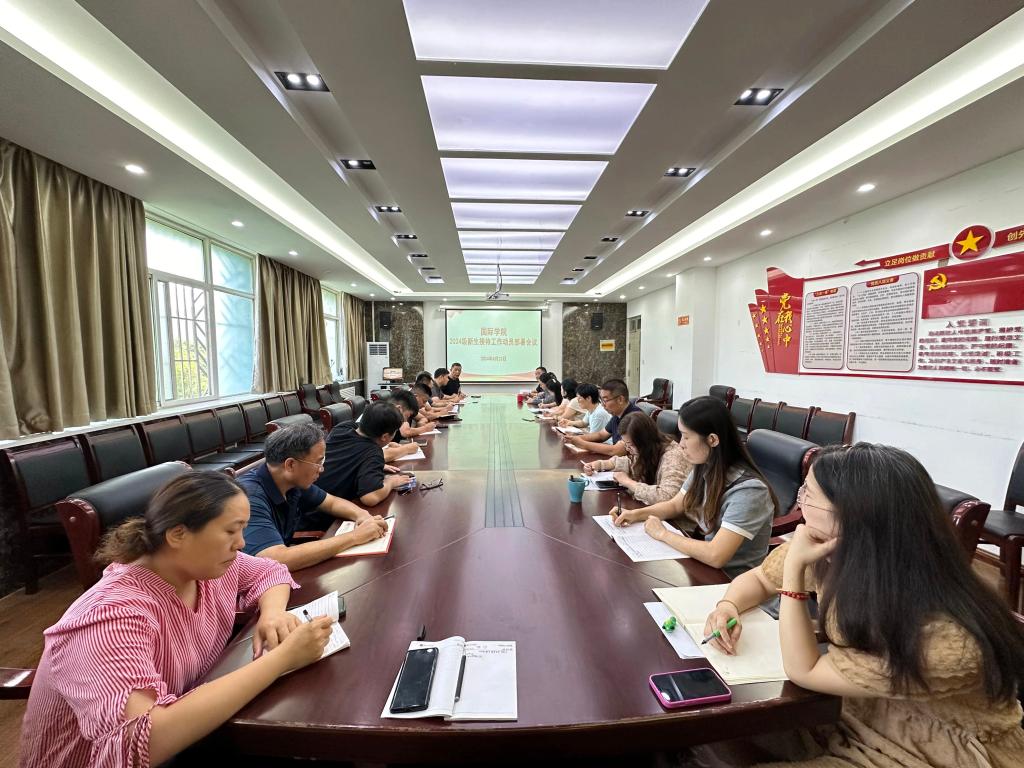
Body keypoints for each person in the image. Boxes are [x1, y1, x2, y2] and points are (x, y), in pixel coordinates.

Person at [702, 443, 1024, 767]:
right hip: (850, 714)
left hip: (928, 751)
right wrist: (728, 605)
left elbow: (805, 671)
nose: (800, 504)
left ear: (852, 514)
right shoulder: (834, 550)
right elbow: (760, 579)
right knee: (703, 735)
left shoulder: (947, 638)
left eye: (808, 495)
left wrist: (794, 574)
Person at [19, 472, 334, 768]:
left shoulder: (206, 566)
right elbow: (143, 742)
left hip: (188, 733)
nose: (241, 543)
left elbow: (269, 571)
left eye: (243, 529)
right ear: (177, 534)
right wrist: (282, 659)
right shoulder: (110, 617)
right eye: (231, 530)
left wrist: (273, 614)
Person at [613, 396, 776, 577]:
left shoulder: (750, 491)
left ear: (712, 440)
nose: (681, 444)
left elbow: (716, 555)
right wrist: (635, 515)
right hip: (703, 567)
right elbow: (675, 505)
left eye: (686, 436)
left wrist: (663, 534)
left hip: (731, 580)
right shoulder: (704, 466)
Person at [236, 423, 388, 571]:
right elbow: (276, 558)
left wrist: (362, 516)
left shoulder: (290, 481)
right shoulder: (249, 499)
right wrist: (355, 536)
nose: (321, 469)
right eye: (318, 462)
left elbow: (331, 503)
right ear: (290, 465)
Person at [583, 411, 691, 505]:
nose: (627, 449)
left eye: (630, 445)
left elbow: (667, 496)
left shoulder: (673, 456)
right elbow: (631, 462)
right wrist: (600, 464)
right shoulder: (650, 448)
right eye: (625, 444)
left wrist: (628, 482)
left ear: (644, 441)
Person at [319, 401, 410, 506]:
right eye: (394, 432)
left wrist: (372, 465)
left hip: (309, 497)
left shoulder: (342, 427)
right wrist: (391, 482)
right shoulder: (373, 452)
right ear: (384, 437)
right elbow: (370, 497)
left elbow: (346, 456)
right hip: (325, 511)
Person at [564, 378, 640, 457]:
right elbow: (601, 435)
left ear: (620, 399)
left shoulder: (634, 418)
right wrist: (574, 438)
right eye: (601, 400)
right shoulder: (617, 415)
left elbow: (617, 450)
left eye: (605, 400)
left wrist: (583, 444)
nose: (603, 405)